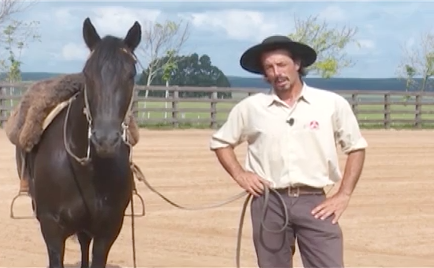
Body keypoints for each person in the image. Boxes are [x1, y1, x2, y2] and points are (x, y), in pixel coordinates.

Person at [209, 35, 367, 268]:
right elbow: (221, 142)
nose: (276, 72)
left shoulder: (330, 104)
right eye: (269, 68)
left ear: (297, 64)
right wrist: (241, 175)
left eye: (281, 64)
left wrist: (344, 194)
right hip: (268, 202)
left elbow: (356, 147)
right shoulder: (251, 108)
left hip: (315, 202)